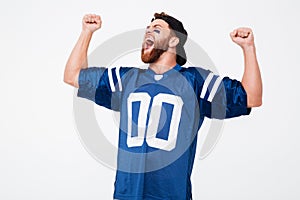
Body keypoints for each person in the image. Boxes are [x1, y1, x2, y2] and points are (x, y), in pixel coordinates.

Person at [64, 12, 262, 200]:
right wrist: (86, 33)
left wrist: (248, 48)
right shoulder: (127, 79)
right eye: (147, 29)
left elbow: (251, 98)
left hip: (170, 194)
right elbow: (73, 76)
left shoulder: (195, 81)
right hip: (128, 194)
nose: (148, 31)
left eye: (156, 28)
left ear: (174, 40)